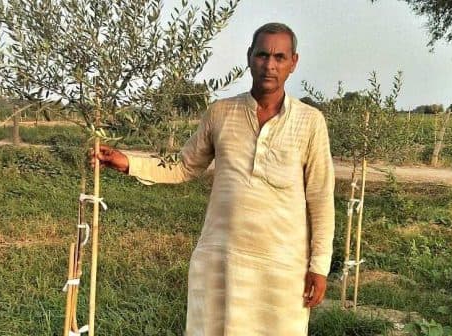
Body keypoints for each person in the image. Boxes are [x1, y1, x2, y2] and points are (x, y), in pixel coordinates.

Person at [93, 22, 335, 336]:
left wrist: (319, 267)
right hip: (220, 261)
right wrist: (127, 162)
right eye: (262, 55)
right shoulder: (221, 112)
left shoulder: (310, 122)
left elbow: (320, 198)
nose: (269, 65)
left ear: (293, 62)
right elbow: (183, 166)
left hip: (281, 268)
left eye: (279, 56)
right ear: (249, 57)